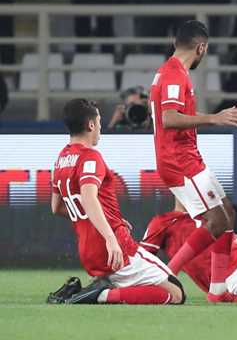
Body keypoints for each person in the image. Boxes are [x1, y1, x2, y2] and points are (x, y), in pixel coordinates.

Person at [149, 19, 237, 303]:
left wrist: (227, 115)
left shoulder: (174, 72)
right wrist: (214, 118)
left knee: (227, 213)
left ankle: (217, 291)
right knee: (216, 220)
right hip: (178, 161)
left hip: (188, 157)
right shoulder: (173, 74)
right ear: (201, 48)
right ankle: (165, 277)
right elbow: (169, 118)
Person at [51, 99, 184, 305]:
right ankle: (99, 294)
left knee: (139, 285)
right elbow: (88, 197)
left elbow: (57, 207)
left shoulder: (60, 159)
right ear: (91, 125)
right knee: (175, 292)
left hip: (88, 252)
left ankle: (88, 289)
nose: (101, 128)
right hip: (115, 247)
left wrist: (107, 216)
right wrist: (110, 238)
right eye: (100, 122)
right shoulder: (90, 157)